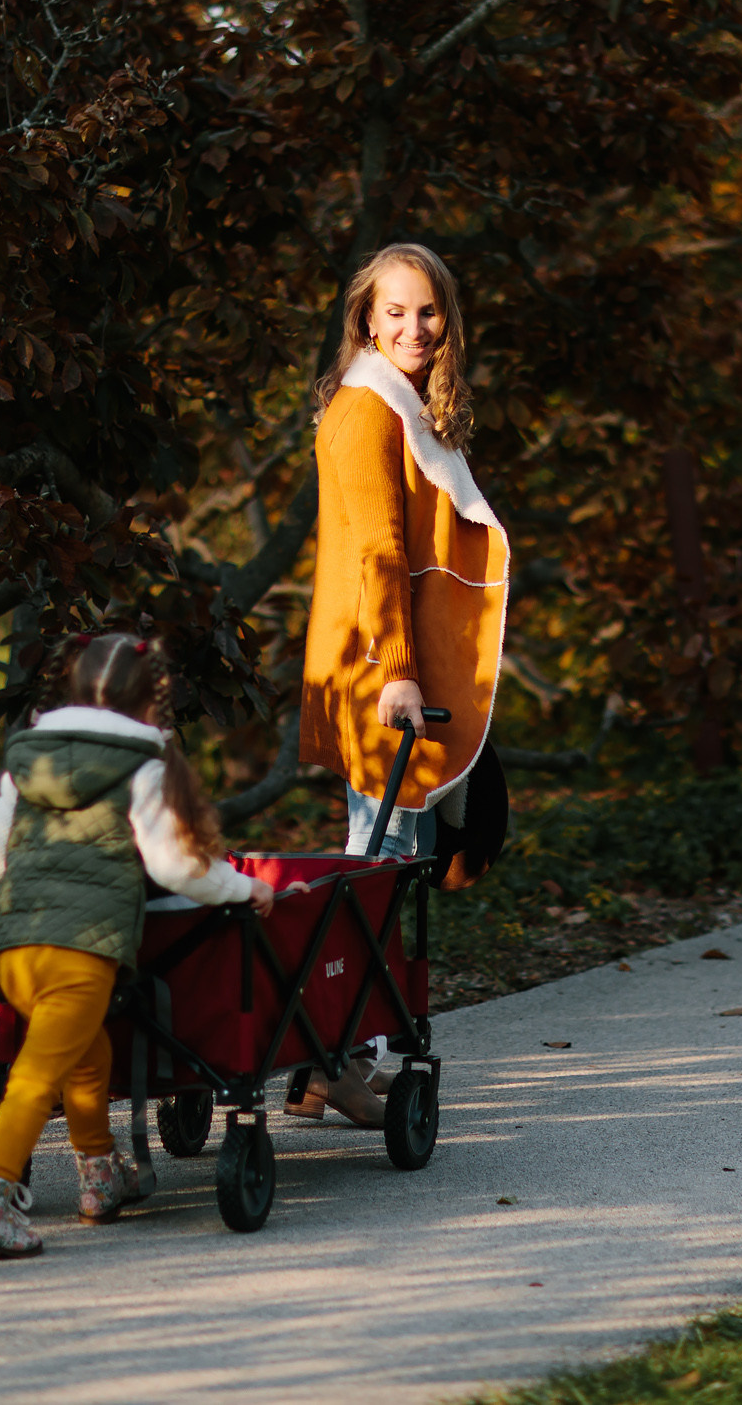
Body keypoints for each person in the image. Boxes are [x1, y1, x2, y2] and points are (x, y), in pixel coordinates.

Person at [0, 632, 275, 1261]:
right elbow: (176, 865)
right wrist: (243, 888)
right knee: (36, 1076)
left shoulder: (30, 758)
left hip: (17, 946)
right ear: (149, 701)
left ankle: (102, 1175)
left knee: (86, 1055)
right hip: (83, 950)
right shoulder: (141, 765)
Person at [296, 242, 512, 1122]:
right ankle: (335, 1058)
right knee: (377, 864)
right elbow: (376, 553)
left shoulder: (408, 407)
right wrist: (396, 675)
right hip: (379, 673)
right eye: (394, 312)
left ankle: (342, 1055)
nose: (413, 328)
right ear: (364, 318)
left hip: (400, 669)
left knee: (390, 861)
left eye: (428, 312)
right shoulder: (365, 411)